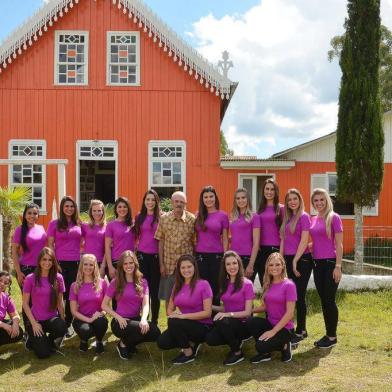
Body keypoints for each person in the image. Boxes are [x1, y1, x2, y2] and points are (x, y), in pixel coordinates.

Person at [101, 251, 161, 360]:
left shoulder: (143, 282)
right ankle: (122, 344)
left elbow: (146, 304)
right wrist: (118, 317)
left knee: (155, 332)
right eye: (125, 264)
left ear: (135, 264)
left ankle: (129, 343)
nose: (128, 266)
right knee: (138, 329)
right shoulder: (116, 282)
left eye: (131, 263)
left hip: (136, 319)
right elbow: (104, 305)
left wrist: (143, 319)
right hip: (120, 322)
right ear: (121, 266)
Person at [157, 255, 213, 365]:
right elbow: (169, 310)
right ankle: (190, 343)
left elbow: (207, 313)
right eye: (183, 267)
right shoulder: (177, 285)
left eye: (189, 267)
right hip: (182, 324)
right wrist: (174, 313)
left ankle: (188, 352)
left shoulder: (203, 284)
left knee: (174, 321)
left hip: (202, 326)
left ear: (194, 267)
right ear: (179, 269)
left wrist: (182, 316)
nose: (186, 270)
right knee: (162, 342)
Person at [205, 251, 254, 365]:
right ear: (224, 267)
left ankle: (237, 352)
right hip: (228, 323)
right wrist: (210, 307)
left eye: (234, 263)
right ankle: (235, 341)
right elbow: (226, 308)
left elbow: (247, 312)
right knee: (210, 339)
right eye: (228, 264)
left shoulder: (247, 284)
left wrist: (228, 314)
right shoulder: (224, 283)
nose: (232, 266)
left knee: (221, 320)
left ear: (239, 264)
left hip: (243, 324)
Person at [247, 252, 296, 363]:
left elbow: (290, 314)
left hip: (285, 328)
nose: (274, 268)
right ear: (267, 267)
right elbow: (265, 307)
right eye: (271, 265)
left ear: (283, 266)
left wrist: (273, 331)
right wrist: (249, 310)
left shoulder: (289, 285)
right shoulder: (268, 283)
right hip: (270, 324)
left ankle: (285, 345)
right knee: (250, 321)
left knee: (260, 346)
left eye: (277, 264)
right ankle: (265, 354)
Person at [309, 188, 343, 349]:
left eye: (322, 199)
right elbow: (317, 240)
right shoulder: (313, 219)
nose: (319, 203)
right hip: (317, 264)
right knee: (324, 300)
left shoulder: (334, 217)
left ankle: (332, 336)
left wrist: (338, 266)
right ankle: (328, 334)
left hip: (330, 263)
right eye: (316, 200)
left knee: (329, 300)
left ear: (327, 200)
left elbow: (339, 244)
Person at [280, 189, 313, 344]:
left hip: (302, 261)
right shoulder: (287, 217)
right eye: (289, 199)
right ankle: (294, 328)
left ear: (300, 200)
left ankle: (301, 330)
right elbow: (283, 240)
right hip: (287, 259)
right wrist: (281, 259)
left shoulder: (304, 217)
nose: (292, 202)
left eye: (295, 199)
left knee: (299, 296)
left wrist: (295, 260)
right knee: (289, 297)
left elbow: (304, 240)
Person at [22, 247, 67, 359]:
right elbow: (25, 304)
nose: (47, 262)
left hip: (51, 318)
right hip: (35, 320)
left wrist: (63, 320)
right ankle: (31, 339)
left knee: (61, 327)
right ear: (39, 261)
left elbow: (60, 302)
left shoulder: (58, 278)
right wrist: (34, 323)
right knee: (43, 354)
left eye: (50, 260)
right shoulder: (30, 278)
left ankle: (47, 342)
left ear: (53, 261)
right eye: (44, 259)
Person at [47, 195, 82, 336]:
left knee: (71, 294)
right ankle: (56, 320)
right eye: (66, 206)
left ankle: (68, 324)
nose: (69, 208)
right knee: (57, 293)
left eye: (72, 206)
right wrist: (55, 263)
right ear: (62, 208)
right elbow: (50, 245)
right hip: (59, 263)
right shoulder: (54, 223)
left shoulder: (79, 223)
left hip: (76, 263)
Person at [154, 191, 195, 309]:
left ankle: (184, 323)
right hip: (169, 266)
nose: (179, 204)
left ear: (185, 204)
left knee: (186, 299)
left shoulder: (192, 219)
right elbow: (160, 242)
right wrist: (161, 264)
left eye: (182, 202)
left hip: (186, 269)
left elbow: (194, 242)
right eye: (176, 201)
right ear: (171, 202)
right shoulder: (164, 219)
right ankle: (171, 324)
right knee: (169, 299)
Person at [12, 203, 47, 326]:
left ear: (38, 215)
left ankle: (39, 324)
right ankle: (28, 328)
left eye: (35, 213)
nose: (32, 215)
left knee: (39, 298)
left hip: (41, 269)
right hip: (25, 269)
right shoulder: (19, 230)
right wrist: (18, 272)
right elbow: (14, 252)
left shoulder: (42, 228)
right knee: (28, 300)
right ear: (25, 215)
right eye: (29, 213)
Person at [195, 185, 229, 304]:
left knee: (215, 287)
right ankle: (203, 317)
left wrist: (225, 256)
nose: (208, 199)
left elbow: (225, 238)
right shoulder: (198, 215)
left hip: (217, 256)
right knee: (202, 286)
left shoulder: (223, 215)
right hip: (200, 256)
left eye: (211, 196)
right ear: (202, 199)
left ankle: (215, 317)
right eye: (206, 197)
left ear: (215, 198)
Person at [70, 254, 108, 354]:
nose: (88, 267)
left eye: (91, 265)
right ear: (81, 266)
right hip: (81, 319)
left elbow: (106, 307)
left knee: (101, 322)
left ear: (95, 266)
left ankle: (99, 341)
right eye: (85, 264)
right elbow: (73, 311)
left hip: (98, 317)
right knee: (85, 331)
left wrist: (101, 314)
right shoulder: (74, 285)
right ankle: (84, 340)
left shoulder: (103, 283)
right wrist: (89, 319)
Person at [134, 189, 161, 325]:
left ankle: (155, 320)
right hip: (142, 257)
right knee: (142, 289)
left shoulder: (161, 217)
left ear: (156, 202)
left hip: (156, 257)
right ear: (144, 201)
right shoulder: (139, 217)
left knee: (154, 291)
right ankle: (143, 317)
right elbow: (136, 236)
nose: (150, 202)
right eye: (147, 199)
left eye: (152, 200)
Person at [256, 179, 284, 285]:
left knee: (275, 281)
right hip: (261, 250)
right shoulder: (260, 209)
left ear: (276, 191)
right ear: (263, 191)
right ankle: (265, 301)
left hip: (275, 249)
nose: (269, 192)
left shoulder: (281, 209)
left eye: (272, 189)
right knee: (264, 281)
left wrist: (280, 255)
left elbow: (284, 234)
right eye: (267, 189)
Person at [229, 188, 260, 281]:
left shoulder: (254, 217)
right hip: (233, 257)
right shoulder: (233, 217)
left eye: (243, 197)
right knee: (234, 288)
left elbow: (256, 243)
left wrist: (251, 264)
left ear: (248, 199)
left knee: (246, 289)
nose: (240, 200)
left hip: (248, 257)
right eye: (238, 198)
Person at [105, 197, 135, 280]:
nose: (122, 209)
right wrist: (110, 266)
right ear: (116, 209)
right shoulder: (110, 225)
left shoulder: (133, 224)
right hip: (116, 262)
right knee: (117, 291)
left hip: (130, 263)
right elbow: (107, 247)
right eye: (119, 207)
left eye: (125, 207)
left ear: (128, 209)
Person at [81, 200, 106, 277]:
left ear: (103, 212)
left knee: (98, 287)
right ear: (91, 212)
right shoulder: (85, 226)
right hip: (86, 262)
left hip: (100, 261)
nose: (97, 213)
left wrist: (103, 266)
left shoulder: (107, 227)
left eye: (99, 210)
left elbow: (108, 248)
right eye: (94, 211)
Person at [0, 271, 23, 349]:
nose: (2, 284)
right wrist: (4, 325)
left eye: (5, 283)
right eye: (0, 280)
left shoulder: (6, 297)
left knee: (19, 332)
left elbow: (15, 315)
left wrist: (15, 324)